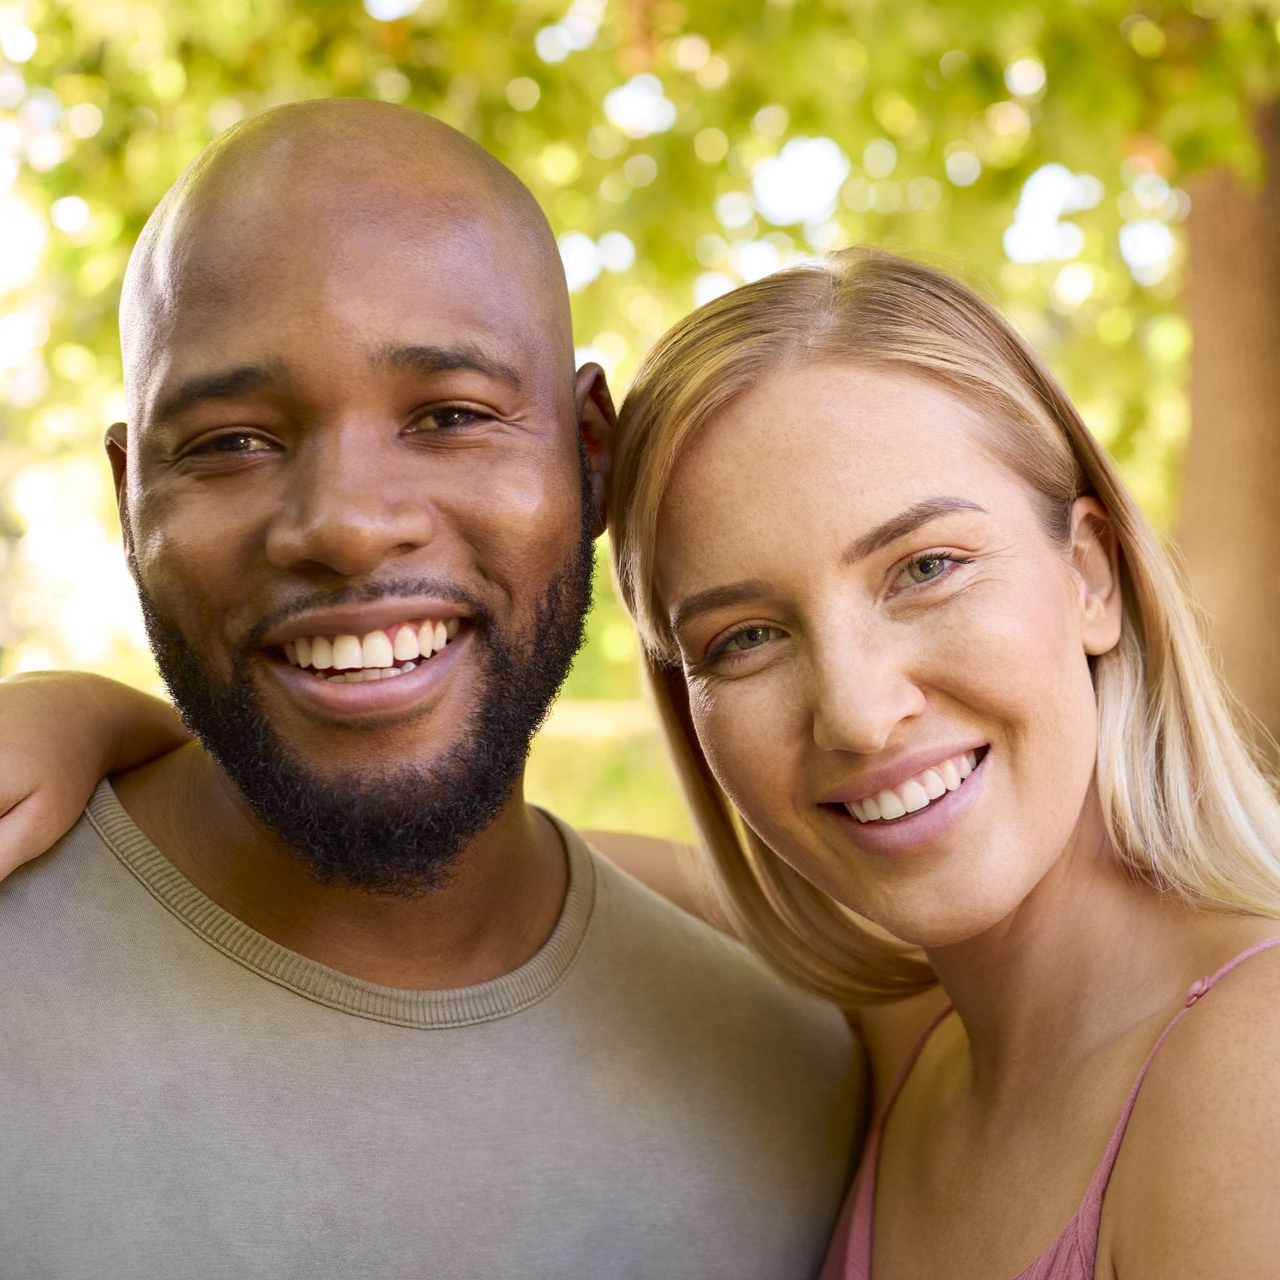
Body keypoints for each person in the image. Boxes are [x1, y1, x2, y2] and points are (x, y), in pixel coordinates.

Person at [0, 100, 859, 1280]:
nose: (350, 525)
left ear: (587, 456)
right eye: (232, 441)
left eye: (450, 414)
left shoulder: (813, 1065)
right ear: (129, 493)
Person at [606, 249, 1280, 1277]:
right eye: (743, 637)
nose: (859, 714)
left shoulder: (1250, 1068)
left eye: (924, 568)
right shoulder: (910, 1035)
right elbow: (527, 868)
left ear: (1089, 574)